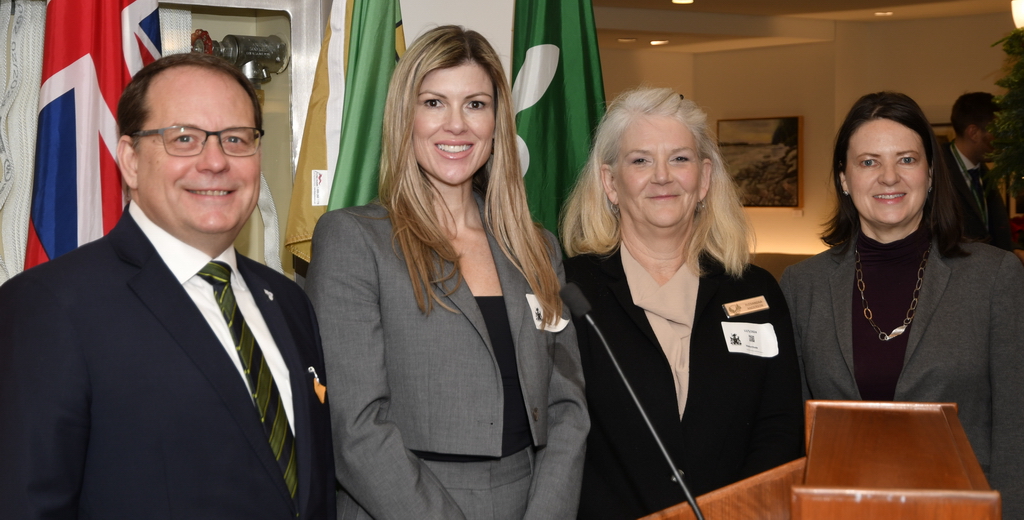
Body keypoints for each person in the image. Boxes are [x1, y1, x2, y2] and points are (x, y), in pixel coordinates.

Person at [0, 53, 336, 519]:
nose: (216, 161)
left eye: (237, 139)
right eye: (184, 139)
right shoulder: (50, 306)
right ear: (130, 161)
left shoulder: (290, 303)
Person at [305, 26, 587, 520]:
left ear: (498, 121)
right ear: (404, 117)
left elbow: (566, 409)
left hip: (528, 500)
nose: (456, 125)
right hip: (400, 504)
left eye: (476, 104)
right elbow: (355, 427)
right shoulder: (354, 240)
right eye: (434, 103)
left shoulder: (536, 246)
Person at [560, 87, 803, 520]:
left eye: (679, 158)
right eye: (640, 160)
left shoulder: (755, 292)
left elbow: (780, 429)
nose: (662, 176)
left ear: (705, 178)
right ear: (610, 183)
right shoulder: (571, 291)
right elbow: (557, 437)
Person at [780, 91, 1024, 519]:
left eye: (907, 160)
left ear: (931, 174)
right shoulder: (803, 286)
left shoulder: (995, 277)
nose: (889, 177)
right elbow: (792, 431)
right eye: (869, 162)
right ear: (843, 178)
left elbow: (1016, 427)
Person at [943, 92, 1018, 251]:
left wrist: (1014, 252)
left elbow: (994, 231)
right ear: (974, 133)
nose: (1004, 140)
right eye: (999, 132)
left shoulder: (982, 171)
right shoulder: (936, 172)